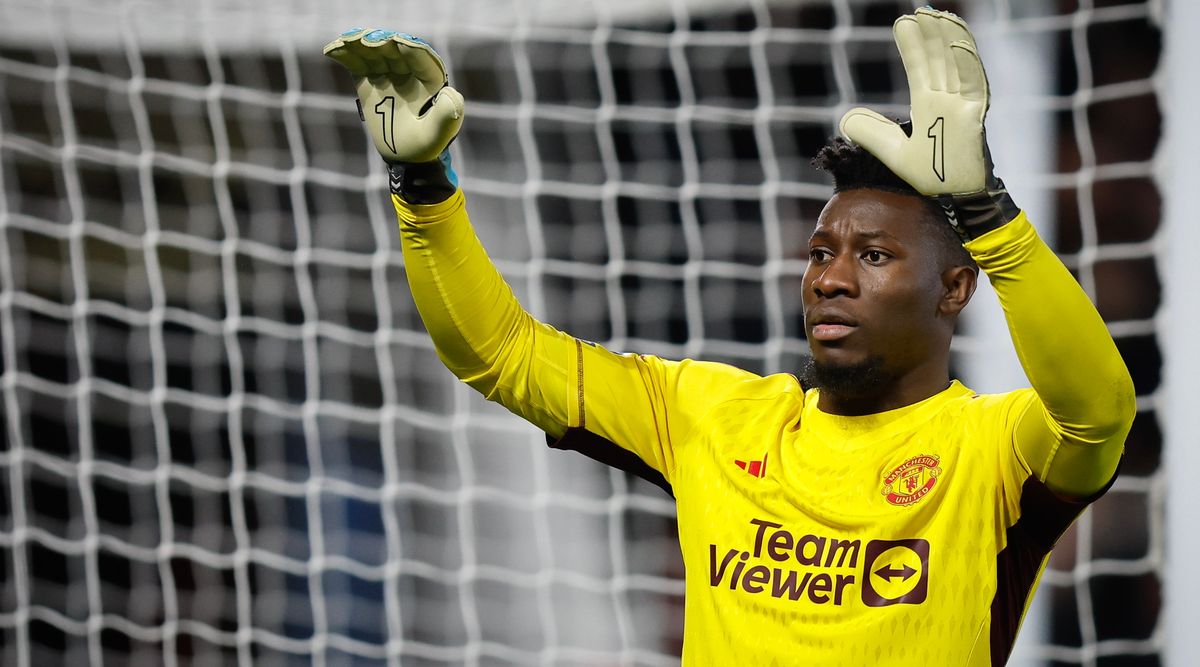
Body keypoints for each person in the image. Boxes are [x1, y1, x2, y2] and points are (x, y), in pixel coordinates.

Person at [324, 8, 1134, 665]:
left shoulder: (992, 449)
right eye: (821, 251)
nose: (831, 277)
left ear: (954, 289)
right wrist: (423, 190)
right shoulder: (711, 417)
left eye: (874, 255)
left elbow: (1099, 410)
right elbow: (497, 352)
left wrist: (987, 211)